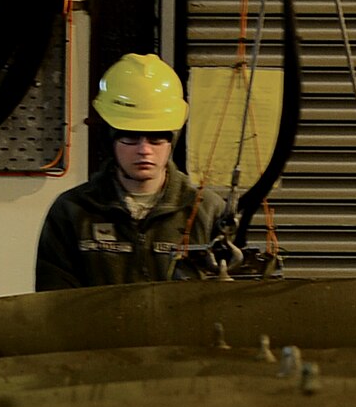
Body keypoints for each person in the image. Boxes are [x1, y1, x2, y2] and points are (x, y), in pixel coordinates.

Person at [35, 53, 224, 288]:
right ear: (110, 139)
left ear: (172, 141)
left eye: (156, 139)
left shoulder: (206, 210)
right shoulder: (73, 211)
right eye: (130, 138)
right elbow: (54, 306)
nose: (144, 150)